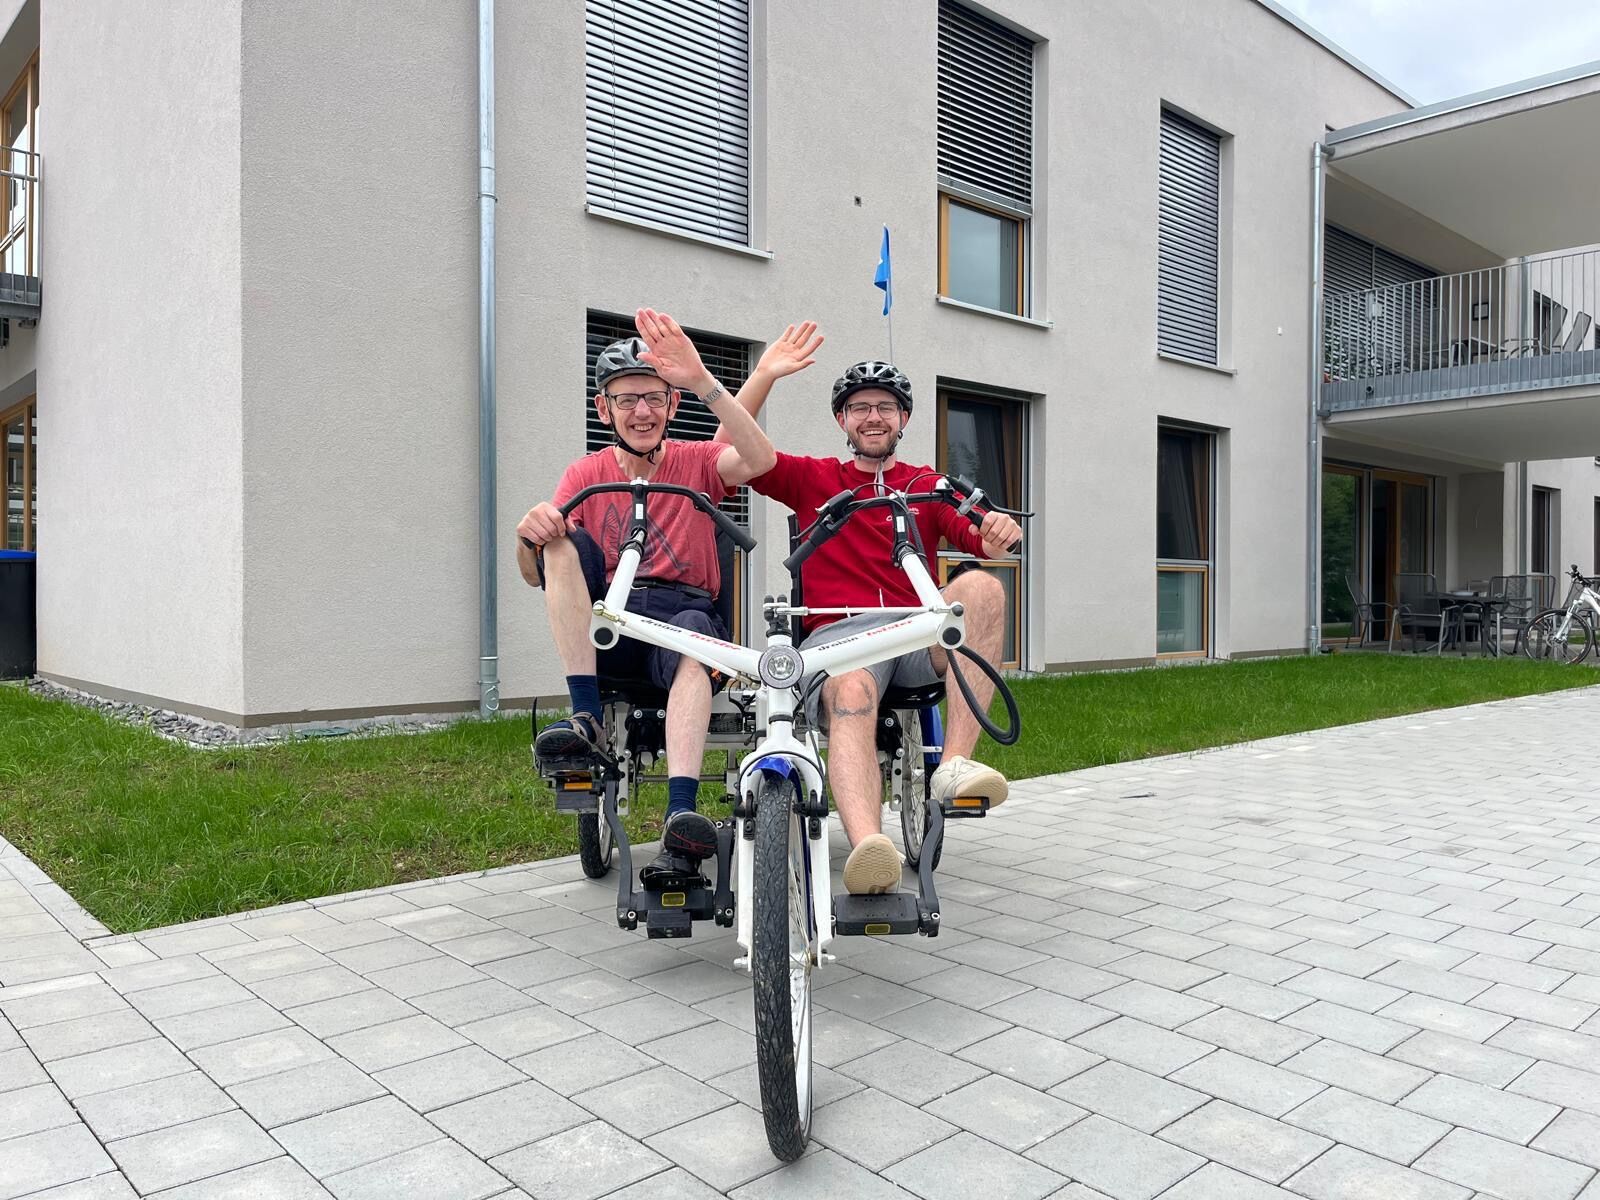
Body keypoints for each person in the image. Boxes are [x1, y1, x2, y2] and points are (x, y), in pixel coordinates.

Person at [517, 310, 823, 888]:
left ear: (672, 405)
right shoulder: (584, 473)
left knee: (693, 642)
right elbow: (536, 575)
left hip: (681, 616)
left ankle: (680, 813)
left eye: (655, 397)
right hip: (611, 622)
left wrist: (705, 379)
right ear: (604, 409)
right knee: (557, 541)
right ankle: (586, 718)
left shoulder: (696, 461)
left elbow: (757, 459)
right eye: (627, 399)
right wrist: (526, 535)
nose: (642, 411)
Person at [723, 361, 1022, 896]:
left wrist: (997, 530)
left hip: (911, 635)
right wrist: (763, 374)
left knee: (982, 588)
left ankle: (952, 765)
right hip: (839, 640)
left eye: (885, 406)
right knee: (854, 687)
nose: (873, 416)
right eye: (860, 407)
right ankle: (869, 849)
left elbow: (981, 539)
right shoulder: (813, 478)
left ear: (903, 417)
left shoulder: (926, 484)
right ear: (843, 419)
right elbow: (741, 453)